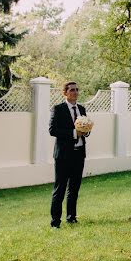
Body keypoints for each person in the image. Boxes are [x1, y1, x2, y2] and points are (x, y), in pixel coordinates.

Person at [49, 81, 88, 228]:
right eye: (72, 90)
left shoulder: (82, 109)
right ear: (65, 93)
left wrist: (86, 131)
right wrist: (73, 133)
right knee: (60, 188)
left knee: (74, 188)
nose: (75, 92)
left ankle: (71, 217)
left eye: (77, 90)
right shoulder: (58, 109)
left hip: (79, 154)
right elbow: (53, 130)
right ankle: (55, 222)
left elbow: (85, 131)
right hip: (63, 156)